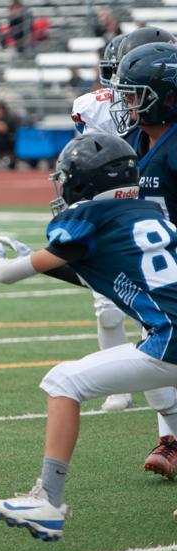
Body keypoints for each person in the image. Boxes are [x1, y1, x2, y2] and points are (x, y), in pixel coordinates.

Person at [0, 134, 175, 540]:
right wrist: (39, 259)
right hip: (168, 334)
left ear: (84, 181)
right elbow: (102, 275)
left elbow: (6, 275)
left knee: (62, 381)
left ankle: (47, 501)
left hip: (171, 339)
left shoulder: (89, 216)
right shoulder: (148, 214)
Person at [109, 41, 177, 478]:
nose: (128, 104)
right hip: (153, 272)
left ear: (166, 97)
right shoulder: (131, 141)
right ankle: (170, 440)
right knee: (156, 360)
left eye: (135, 95)